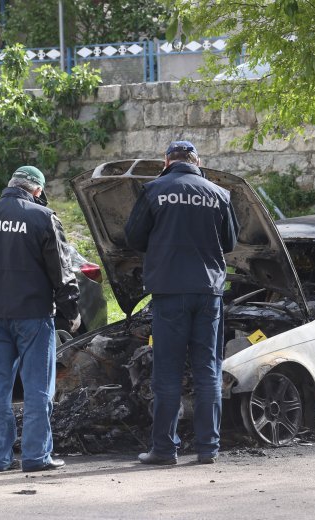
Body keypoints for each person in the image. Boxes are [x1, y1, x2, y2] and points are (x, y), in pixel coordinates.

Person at [125, 140, 240, 465]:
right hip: (208, 293)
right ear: (196, 161)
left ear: (167, 161)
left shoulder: (153, 191)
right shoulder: (219, 194)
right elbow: (230, 241)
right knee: (207, 371)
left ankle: (164, 449)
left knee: (168, 372)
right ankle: (208, 449)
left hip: (170, 292)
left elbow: (132, 238)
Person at [0, 166, 81, 473]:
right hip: (33, 315)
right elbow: (61, 269)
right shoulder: (42, 218)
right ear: (37, 191)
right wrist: (72, 311)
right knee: (38, 388)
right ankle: (36, 456)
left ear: (10, 185)